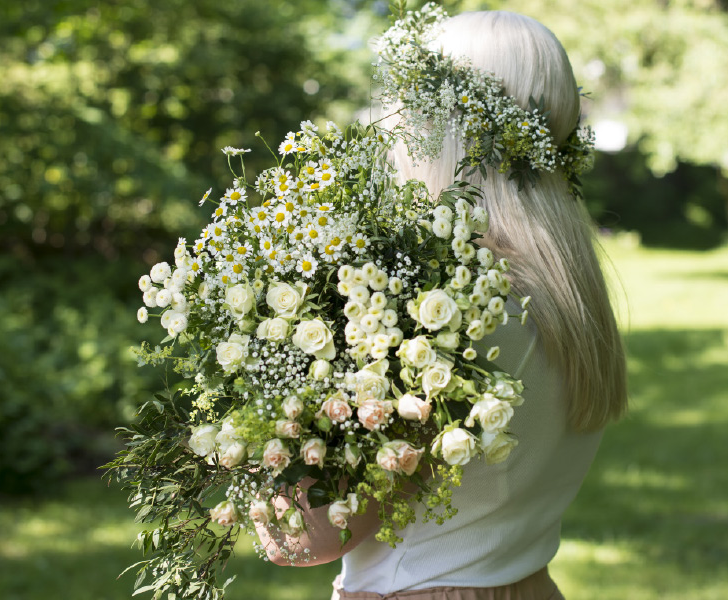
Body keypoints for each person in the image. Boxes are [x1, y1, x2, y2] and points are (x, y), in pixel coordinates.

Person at [256, 10, 627, 600]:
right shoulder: (567, 292)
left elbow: (305, 538)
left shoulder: (441, 310)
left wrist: (258, 417)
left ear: (436, 126)